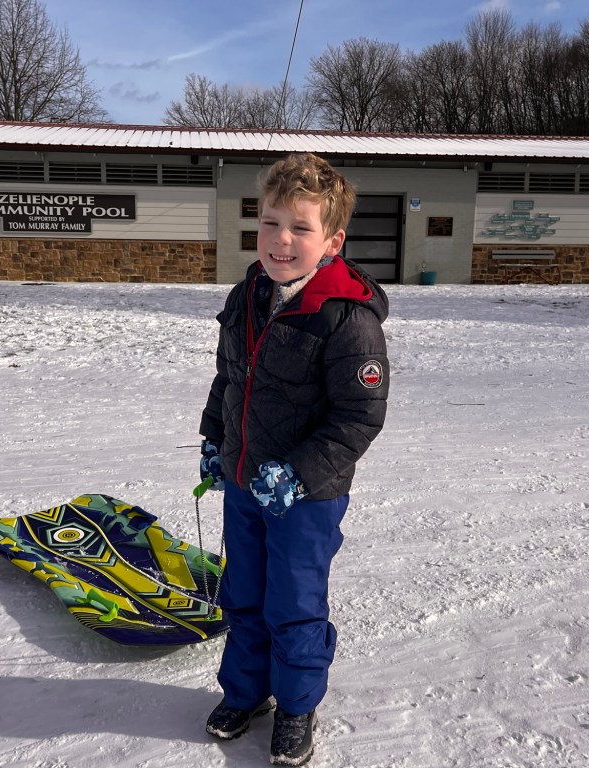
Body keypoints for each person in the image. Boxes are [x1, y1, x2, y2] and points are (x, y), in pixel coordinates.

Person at [198, 152, 390, 766]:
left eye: (300, 228)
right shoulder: (247, 294)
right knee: (243, 593)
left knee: (293, 601)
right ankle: (245, 693)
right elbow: (231, 377)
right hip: (244, 479)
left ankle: (297, 705)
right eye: (271, 223)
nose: (281, 240)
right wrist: (214, 439)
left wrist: (299, 473)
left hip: (308, 496)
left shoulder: (347, 317)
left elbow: (359, 415)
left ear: (332, 241)